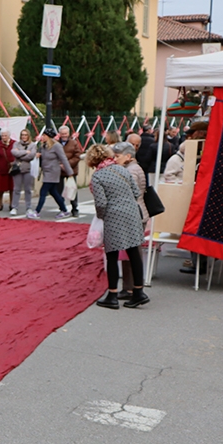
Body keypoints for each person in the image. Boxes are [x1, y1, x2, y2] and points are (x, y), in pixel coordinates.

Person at [88, 144, 149, 309]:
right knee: (134, 253)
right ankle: (138, 292)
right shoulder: (122, 170)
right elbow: (136, 192)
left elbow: (101, 203)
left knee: (112, 256)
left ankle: (112, 295)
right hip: (132, 213)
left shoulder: (98, 176)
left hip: (113, 216)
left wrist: (101, 217)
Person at [111, 141, 149, 295]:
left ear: (128, 156)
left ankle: (132, 287)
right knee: (131, 252)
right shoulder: (133, 168)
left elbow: (128, 193)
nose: (115, 159)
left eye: (117, 156)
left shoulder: (131, 170)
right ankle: (131, 287)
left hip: (133, 214)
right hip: (137, 212)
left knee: (132, 253)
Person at [29, 129, 73, 219]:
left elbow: (63, 159)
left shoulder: (57, 146)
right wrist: (37, 156)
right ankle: (64, 210)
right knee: (53, 192)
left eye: (44, 135)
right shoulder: (43, 146)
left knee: (43, 191)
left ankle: (37, 211)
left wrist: (70, 172)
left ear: (49, 137)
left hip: (53, 172)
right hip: (46, 171)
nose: (42, 137)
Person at [8, 129, 37, 216]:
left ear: (28, 136)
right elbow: (14, 152)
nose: (24, 136)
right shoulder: (16, 144)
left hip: (27, 169)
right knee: (16, 189)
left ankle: (28, 207)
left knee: (27, 189)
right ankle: (14, 207)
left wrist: (20, 154)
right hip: (17, 169)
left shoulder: (32, 145)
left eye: (25, 135)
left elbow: (31, 156)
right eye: (22, 135)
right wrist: (25, 152)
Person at [58, 125, 84, 216]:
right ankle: (62, 208)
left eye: (65, 133)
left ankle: (75, 208)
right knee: (59, 191)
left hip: (71, 171)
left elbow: (77, 156)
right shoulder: (56, 143)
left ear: (68, 133)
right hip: (60, 170)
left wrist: (67, 164)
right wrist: (60, 164)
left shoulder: (74, 143)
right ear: (59, 134)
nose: (64, 135)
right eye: (62, 133)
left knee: (72, 190)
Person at [0, 129, 15, 211]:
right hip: (1, 168)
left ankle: (11, 203)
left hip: (12, 169)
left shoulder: (14, 143)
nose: (4, 137)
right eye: (2, 136)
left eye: (5, 136)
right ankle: (0, 203)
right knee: (0, 188)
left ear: (9, 136)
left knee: (12, 187)